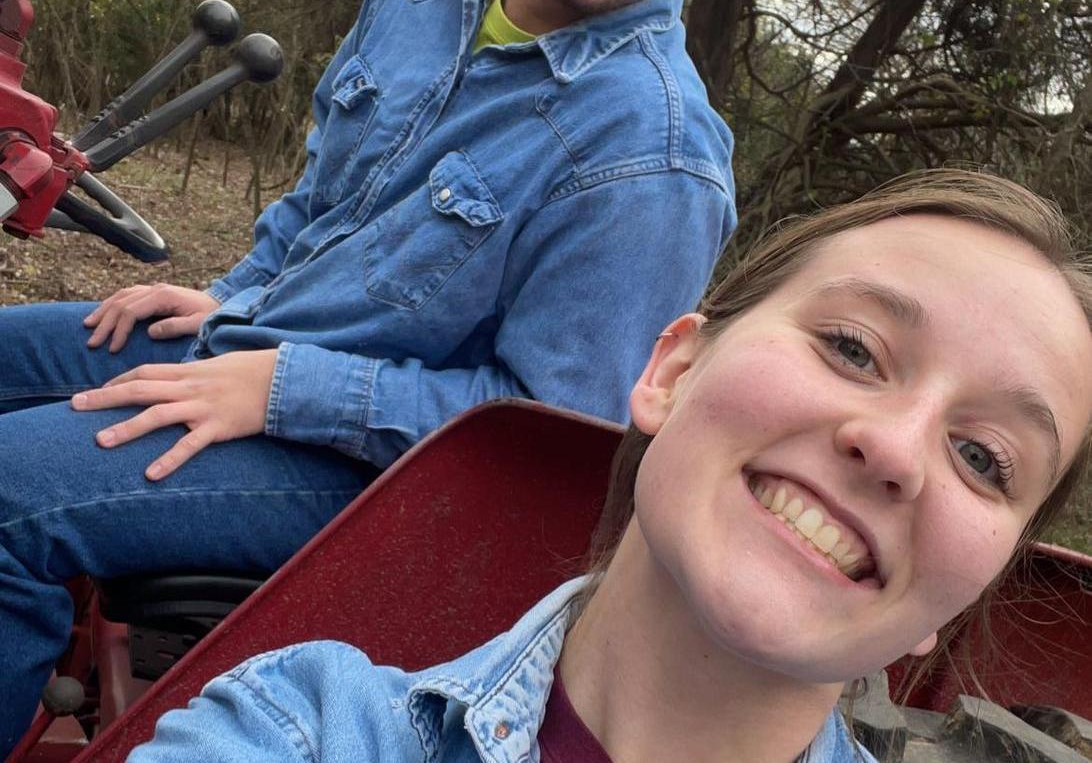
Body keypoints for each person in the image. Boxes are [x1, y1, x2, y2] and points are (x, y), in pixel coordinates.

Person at [0, 0, 796, 750]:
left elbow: (541, 458)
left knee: (10, 502)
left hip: (375, 482)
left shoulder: (652, 159)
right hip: (251, 347)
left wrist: (284, 387)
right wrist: (235, 293)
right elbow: (326, 195)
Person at [127, 168, 1092, 763]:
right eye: (851, 346)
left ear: (967, 596)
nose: (894, 448)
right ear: (673, 368)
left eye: (983, 458)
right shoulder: (303, 730)